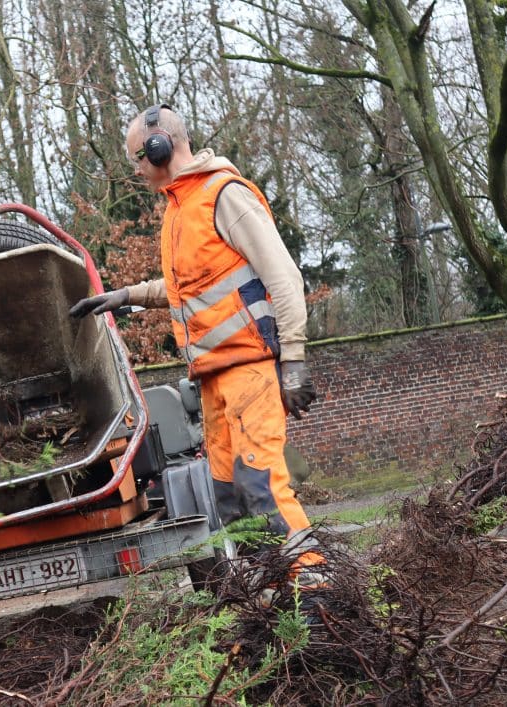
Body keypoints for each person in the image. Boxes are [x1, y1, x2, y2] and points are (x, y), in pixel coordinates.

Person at [70, 104, 321, 564]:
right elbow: (191, 287)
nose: (137, 171)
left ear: (160, 148)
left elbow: (284, 277)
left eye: (137, 159)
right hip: (213, 380)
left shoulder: (223, 195)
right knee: (229, 499)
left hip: (249, 368)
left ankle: (316, 594)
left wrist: (295, 361)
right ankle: (269, 600)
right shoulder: (180, 211)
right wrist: (126, 295)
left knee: (261, 489)